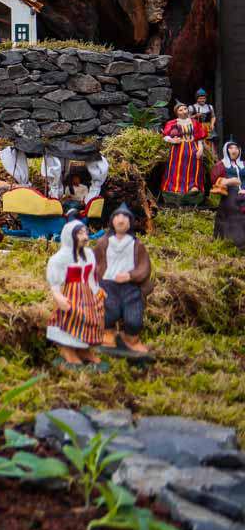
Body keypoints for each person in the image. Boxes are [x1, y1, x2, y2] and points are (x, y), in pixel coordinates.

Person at [39, 218, 105, 368]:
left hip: (87, 293)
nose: (84, 237)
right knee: (73, 317)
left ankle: (84, 348)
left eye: (85, 232)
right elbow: (55, 285)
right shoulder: (59, 259)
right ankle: (67, 349)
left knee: (93, 318)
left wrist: (97, 292)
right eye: (79, 233)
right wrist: (58, 297)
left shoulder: (88, 254)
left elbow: (91, 277)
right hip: (71, 293)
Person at [94, 205, 151, 357]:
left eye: (125, 217)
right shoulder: (103, 242)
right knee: (108, 311)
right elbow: (95, 263)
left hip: (130, 286)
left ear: (130, 222)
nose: (121, 220)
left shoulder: (136, 245)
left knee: (133, 316)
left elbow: (144, 266)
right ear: (112, 221)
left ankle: (131, 339)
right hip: (108, 284)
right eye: (117, 216)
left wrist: (130, 275)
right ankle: (107, 333)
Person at [161, 104, 210, 206]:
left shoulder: (194, 122)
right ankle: (175, 189)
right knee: (177, 169)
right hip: (178, 150)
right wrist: (172, 140)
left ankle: (193, 188)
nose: (183, 111)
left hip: (193, 148)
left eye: (185, 109)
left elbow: (200, 137)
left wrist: (200, 149)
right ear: (177, 112)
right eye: (180, 110)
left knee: (194, 169)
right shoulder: (172, 123)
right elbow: (165, 136)